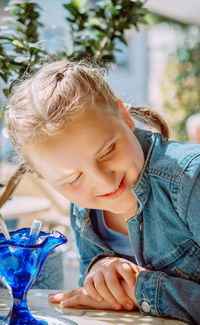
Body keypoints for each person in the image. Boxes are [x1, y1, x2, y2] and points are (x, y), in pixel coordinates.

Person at [5, 59, 200, 324]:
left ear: (124, 115)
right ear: (46, 179)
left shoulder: (190, 179)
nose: (105, 182)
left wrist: (143, 290)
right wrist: (101, 272)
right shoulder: (83, 210)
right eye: (73, 178)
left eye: (108, 151)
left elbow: (136, 296)